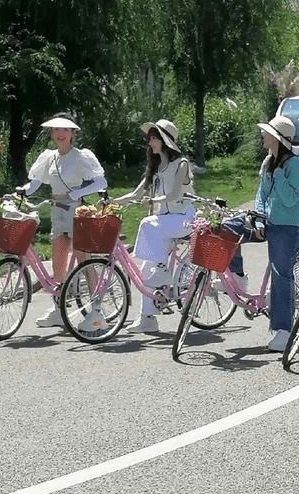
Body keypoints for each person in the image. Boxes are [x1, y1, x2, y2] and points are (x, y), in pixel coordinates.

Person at [18, 114, 107, 327]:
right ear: (51, 133)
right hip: (57, 210)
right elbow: (35, 183)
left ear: (72, 134)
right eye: (56, 130)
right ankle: (58, 308)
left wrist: (78, 194)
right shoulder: (49, 157)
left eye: (65, 130)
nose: (60, 134)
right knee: (59, 264)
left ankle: (97, 311)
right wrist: (22, 191)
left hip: (77, 212)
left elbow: (100, 182)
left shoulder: (81, 156)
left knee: (84, 260)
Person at [114, 119, 194, 334]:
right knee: (146, 269)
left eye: (155, 137)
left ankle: (162, 270)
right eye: (149, 138)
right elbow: (136, 194)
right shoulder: (156, 166)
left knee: (147, 223)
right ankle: (147, 318)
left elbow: (176, 194)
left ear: (166, 140)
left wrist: (154, 202)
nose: (150, 142)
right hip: (165, 222)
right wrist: (112, 202)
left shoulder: (182, 164)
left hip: (183, 218)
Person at [254, 115, 299, 352]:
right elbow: (261, 195)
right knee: (228, 229)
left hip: (287, 226)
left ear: (278, 139)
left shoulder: (296, 166)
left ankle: (284, 331)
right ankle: (236, 276)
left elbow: (291, 200)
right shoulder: (268, 162)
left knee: (281, 274)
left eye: (267, 134)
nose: (263, 136)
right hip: (268, 222)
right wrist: (258, 216)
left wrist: (278, 176)